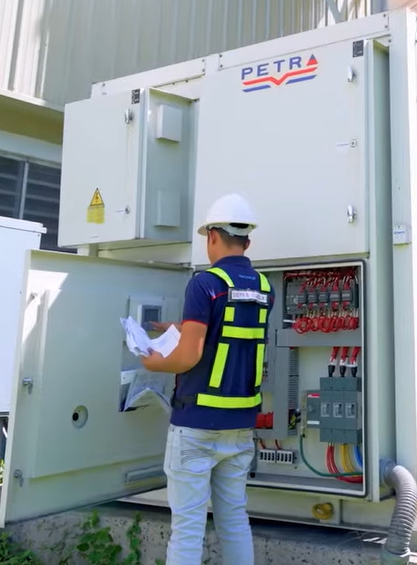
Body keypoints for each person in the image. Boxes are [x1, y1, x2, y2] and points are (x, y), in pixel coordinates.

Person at [140, 193, 271, 565]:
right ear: (247, 240)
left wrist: (153, 361)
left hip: (196, 425)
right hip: (240, 425)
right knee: (233, 520)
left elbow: (190, 356)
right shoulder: (264, 286)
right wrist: (181, 326)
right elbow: (229, 326)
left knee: (188, 527)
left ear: (213, 236)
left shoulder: (205, 283)